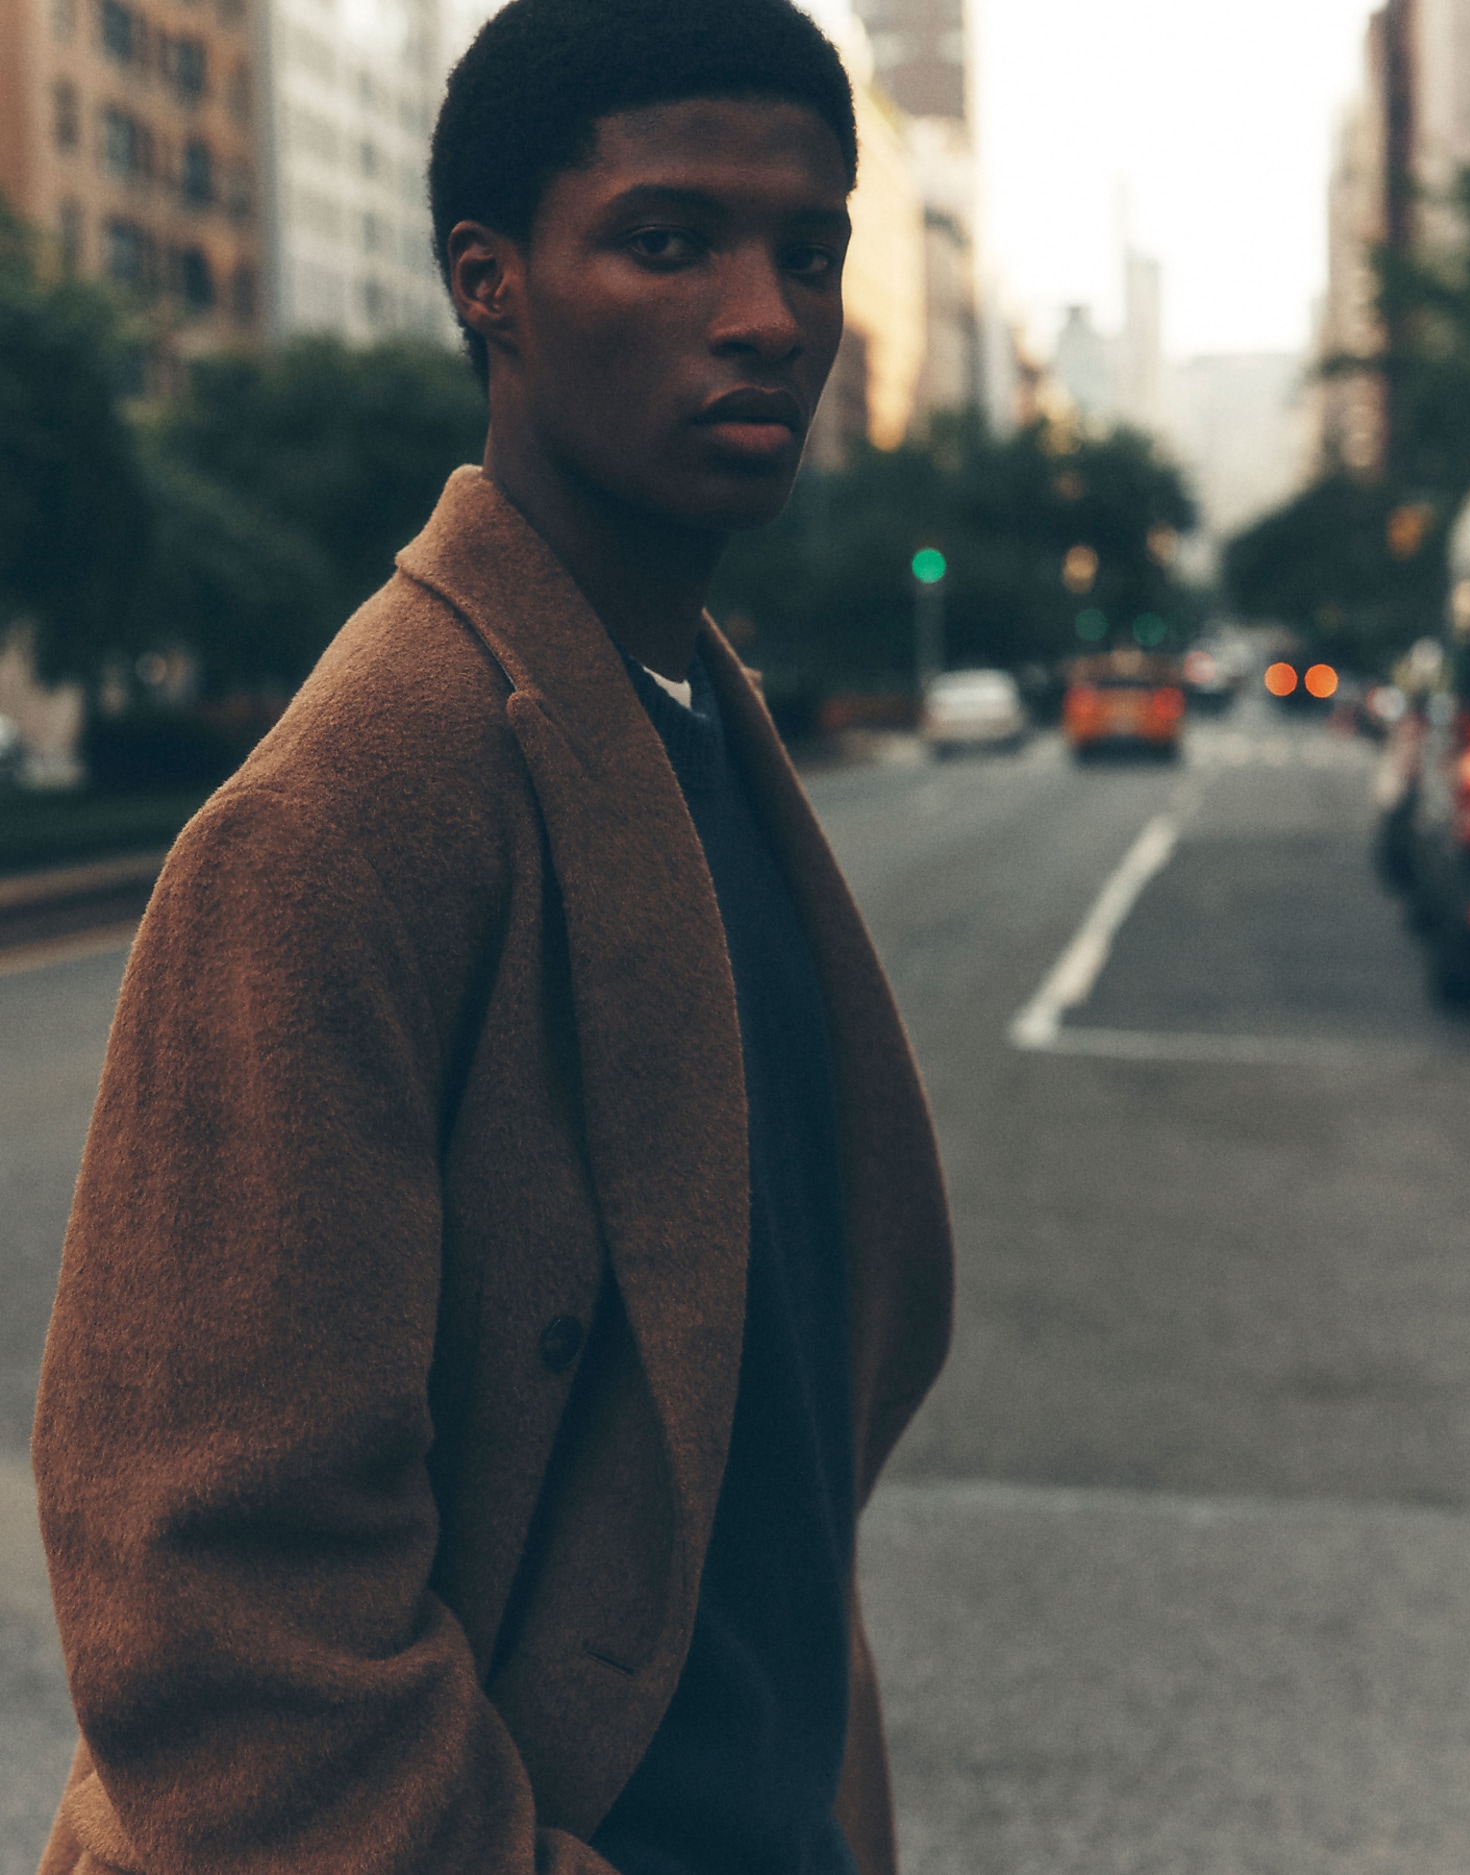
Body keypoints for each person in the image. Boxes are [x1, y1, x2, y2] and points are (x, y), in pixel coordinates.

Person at [31, 1, 953, 1870]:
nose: (769, 315)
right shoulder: (347, 818)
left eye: (811, 248)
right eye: (668, 239)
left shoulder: (687, 710)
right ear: (492, 283)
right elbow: (212, 1594)